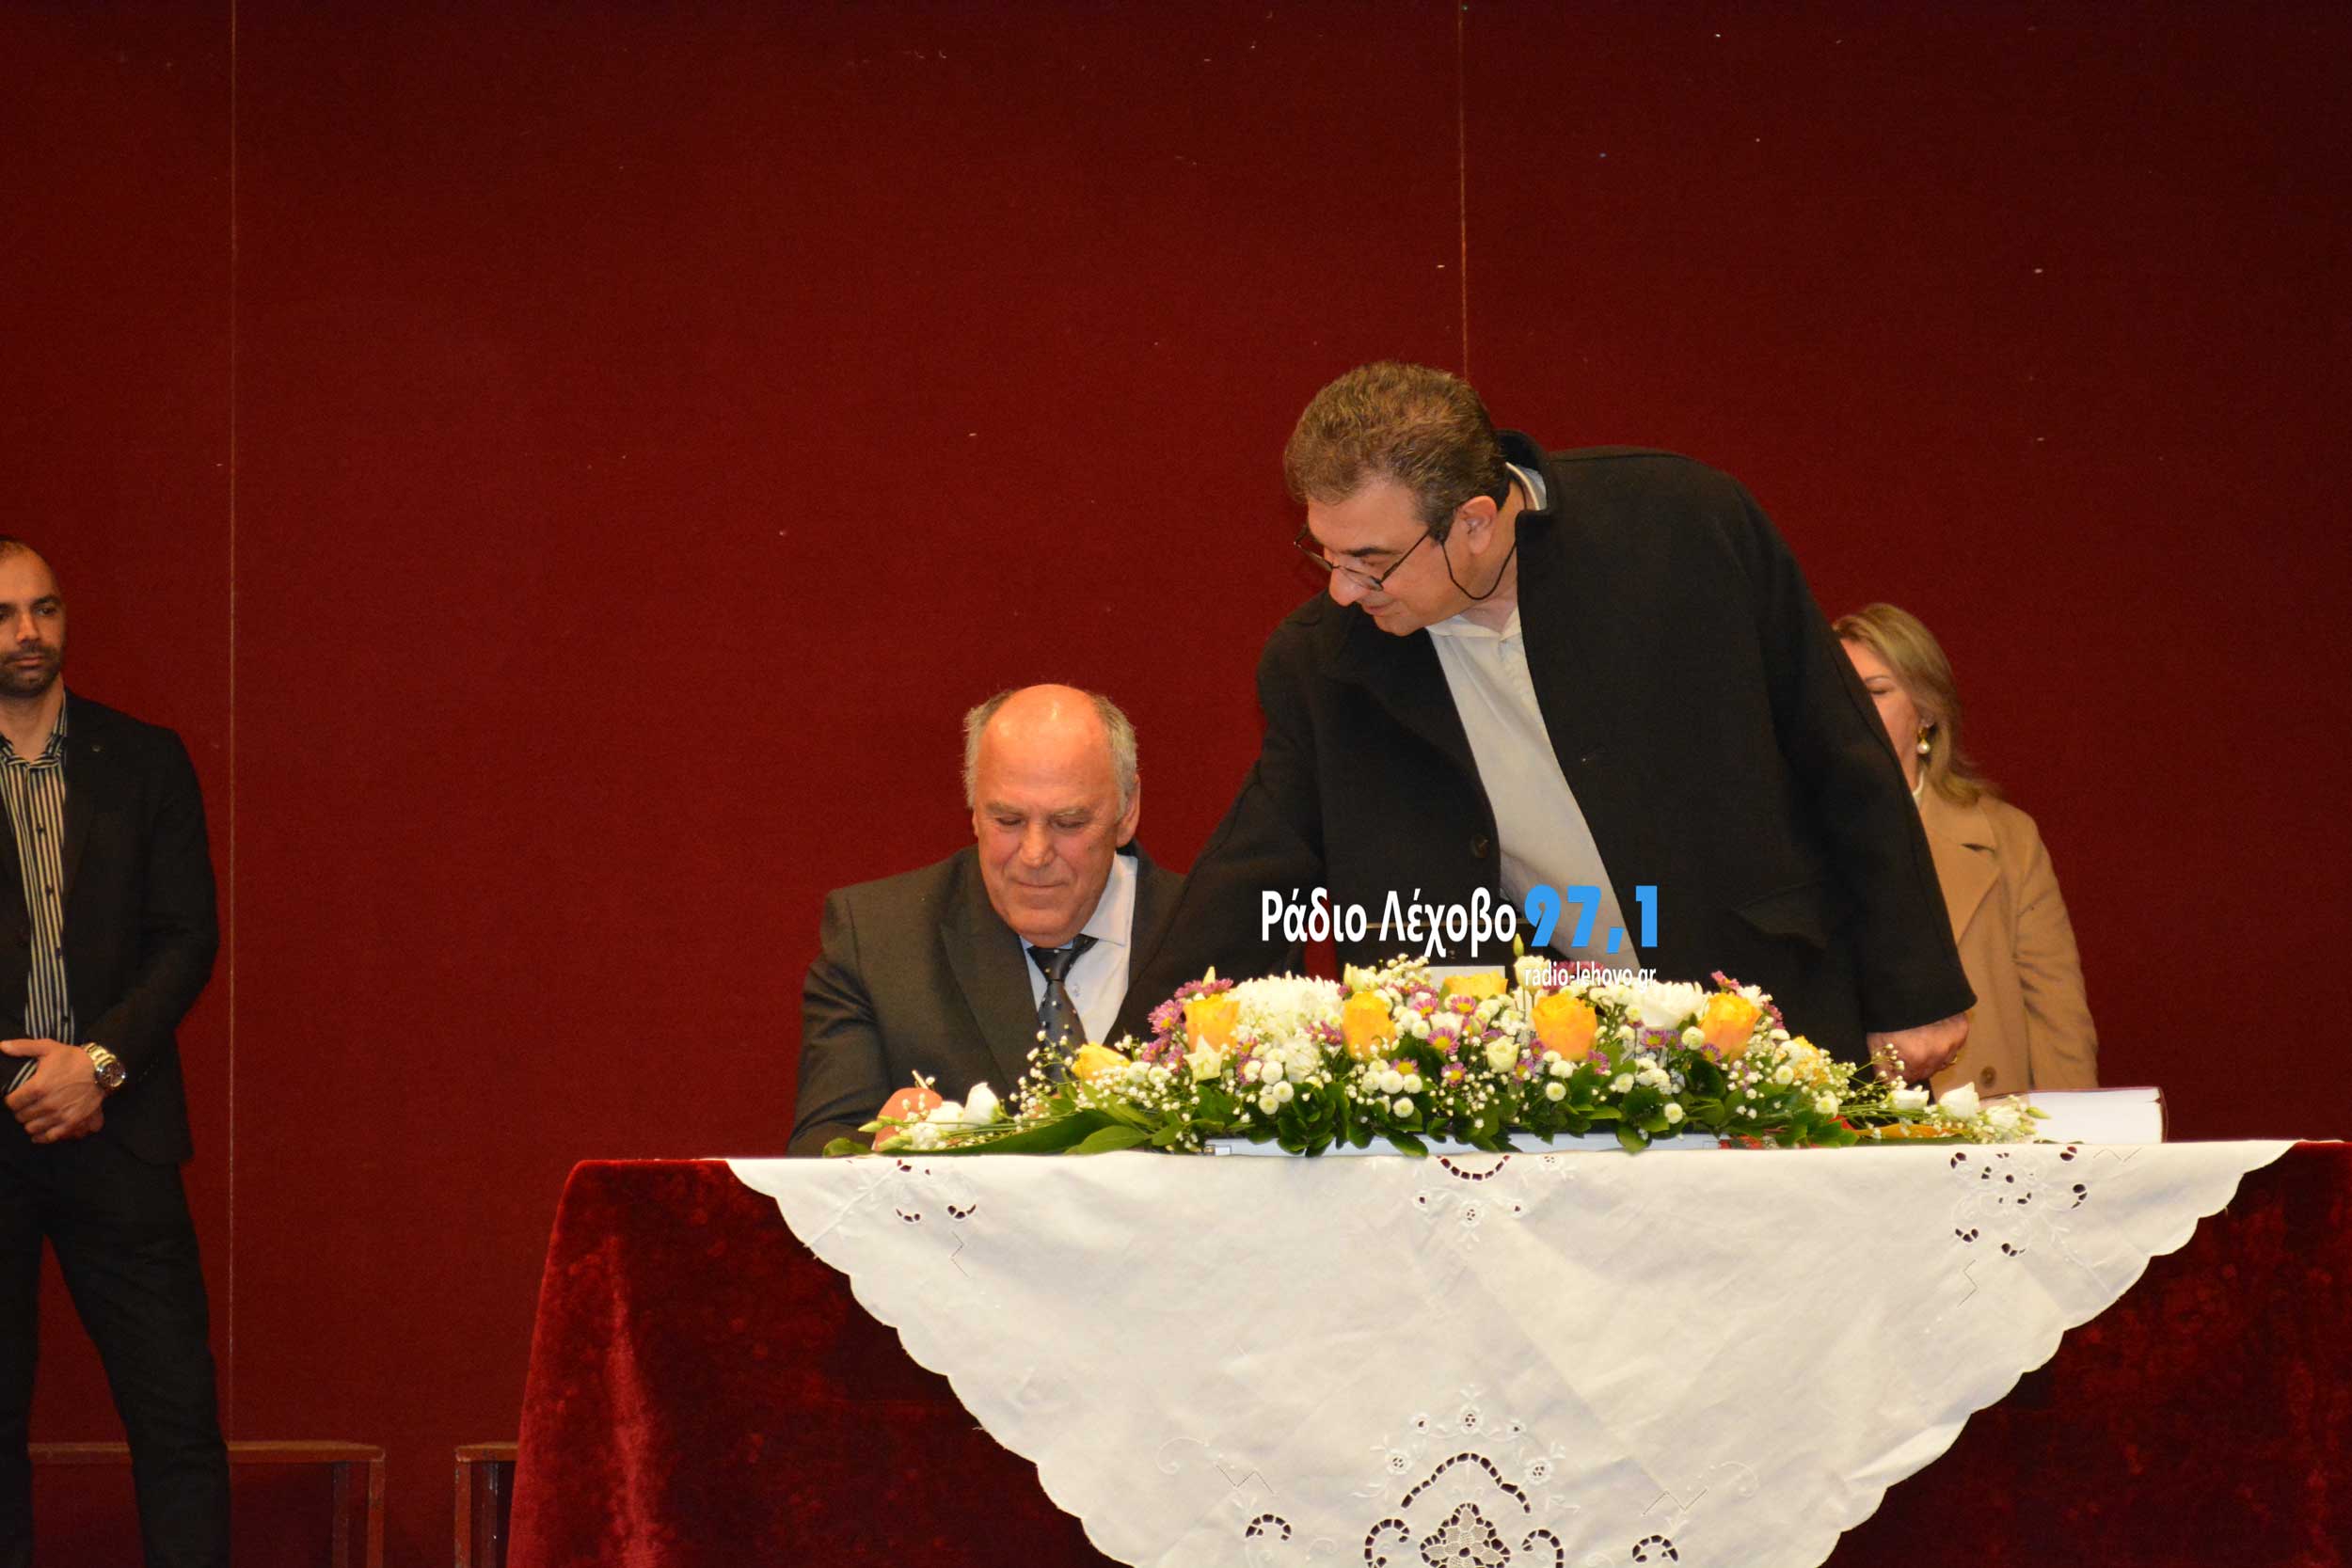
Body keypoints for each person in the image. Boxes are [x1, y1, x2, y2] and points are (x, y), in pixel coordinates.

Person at [1118, 362, 1971, 1079]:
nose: (1342, 589)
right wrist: (1130, 1068)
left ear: (1475, 521)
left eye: (1370, 560)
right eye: (1324, 553)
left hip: (1765, 1009)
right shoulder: (1326, 659)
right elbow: (1253, 870)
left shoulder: (1685, 528)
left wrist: (1914, 985)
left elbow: (1839, 746)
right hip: (1537, 1068)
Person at [0, 538, 227, 1568]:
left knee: (177, 1416)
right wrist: (28, 1082)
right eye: (6, 614)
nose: (29, 632)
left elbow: (188, 937)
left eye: (46, 609)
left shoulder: (143, 759)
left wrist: (92, 1064)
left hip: (120, 1123)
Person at [791, 685, 1184, 1153]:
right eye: (1008, 821)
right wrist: (881, 1147)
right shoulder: (876, 939)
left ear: (1127, 809)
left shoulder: (1218, 929)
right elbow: (819, 1151)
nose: (1035, 854)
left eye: (1068, 823)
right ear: (975, 810)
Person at [1836, 603, 2098, 1095]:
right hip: (1839, 1119)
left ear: (1926, 712)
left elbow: (2056, 1015)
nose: (1853, 710)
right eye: (1839, 693)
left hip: (1979, 1117)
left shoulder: (2007, 837)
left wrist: (2068, 1131)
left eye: (1875, 691)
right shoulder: (1788, 838)